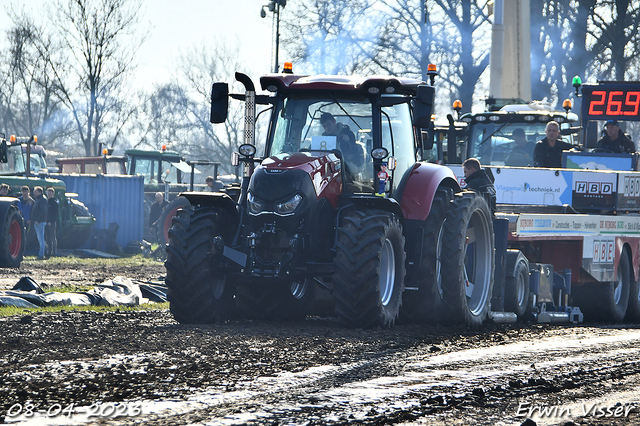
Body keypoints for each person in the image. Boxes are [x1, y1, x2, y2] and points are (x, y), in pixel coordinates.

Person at [31, 186, 47, 260]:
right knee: (40, 238)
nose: (34, 193)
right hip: (38, 221)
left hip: (40, 222)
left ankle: (41, 254)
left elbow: (43, 211)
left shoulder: (42, 200)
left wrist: (38, 220)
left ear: (40, 192)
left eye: (36, 192)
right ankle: (42, 253)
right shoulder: (39, 199)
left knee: (41, 238)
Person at [45, 187, 58, 257]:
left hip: (52, 222)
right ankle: (49, 251)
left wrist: (51, 221)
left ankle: (54, 252)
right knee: (47, 237)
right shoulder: (46, 202)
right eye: (48, 193)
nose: (49, 194)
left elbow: (55, 214)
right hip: (46, 222)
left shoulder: (54, 203)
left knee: (53, 237)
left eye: (51, 193)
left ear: (53, 194)